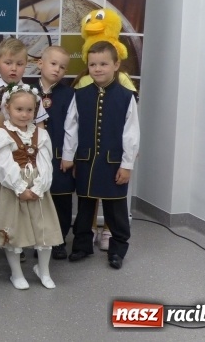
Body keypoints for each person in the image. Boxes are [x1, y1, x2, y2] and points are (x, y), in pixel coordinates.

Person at [61, 41, 140, 270]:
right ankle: (82, 245)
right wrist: (68, 155)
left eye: (103, 64)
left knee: (116, 210)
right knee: (85, 206)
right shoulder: (80, 95)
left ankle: (117, 250)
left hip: (113, 162)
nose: (97, 69)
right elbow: (71, 127)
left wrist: (126, 164)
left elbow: (131, 133)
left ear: (116, 65)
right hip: (86, 160)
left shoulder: (126, 96)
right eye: (93, 64)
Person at [0, 84, 63, 290]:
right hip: (11, 188)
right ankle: (16, 274)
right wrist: (19, 187)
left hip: (37, 187)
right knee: (13, 232)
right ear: (7, 108)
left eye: (29, 110)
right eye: (19, 109)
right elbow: (2, 165)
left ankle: (43, 271)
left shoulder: (41, 134)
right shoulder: (0, 135)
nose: (25, 114)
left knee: (44, 231)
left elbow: (46, 163)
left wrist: (38, 187)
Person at [36, 46, 75, 260]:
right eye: (53, 64)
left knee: (61, 199)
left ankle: (59, 240)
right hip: (32, 157)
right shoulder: (27, 90)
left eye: (62, 67)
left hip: (59, 156)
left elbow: (72, 127)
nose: (57, 69)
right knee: (37, 198)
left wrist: (68, 156)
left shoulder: (69, 94)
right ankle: (39, 240)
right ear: (40, 63)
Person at [0, 37, 28, 108]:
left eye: (19, 64)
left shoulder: (32, 93)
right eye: (8, 63)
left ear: (25, 65)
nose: (14, 68)